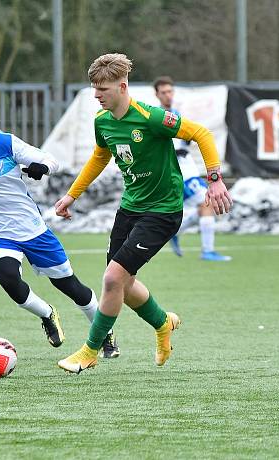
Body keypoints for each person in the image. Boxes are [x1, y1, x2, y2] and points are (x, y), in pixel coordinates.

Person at [55, 54, 232, 373]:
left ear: (122, 87)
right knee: (123, 283)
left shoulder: (151, 118)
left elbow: (201, 134)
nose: (97, 95)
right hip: (130, 208)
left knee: (112, 279)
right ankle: (163, 323)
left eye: (103, 89)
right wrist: (71, 195)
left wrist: (214, 180)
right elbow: (99, 157)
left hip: (162, 211)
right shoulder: (102, 121)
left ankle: (90, 351)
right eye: (94, 88)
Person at [0, 91, 120, 358]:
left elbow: (50, 159)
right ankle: (47, 313)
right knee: (5, 275)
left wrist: (43, 168)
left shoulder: (4, 143)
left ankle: (105, 334)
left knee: (70, 286)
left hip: (33, 229)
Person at [153, 76, 231, 261]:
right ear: (156, 94)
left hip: (189, 166)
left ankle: (176, 232)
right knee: (209, 202)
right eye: (163, 92)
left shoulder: (177, 114)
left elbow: (188, 138)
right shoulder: (154, 116)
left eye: (170, 91)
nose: (168, 95)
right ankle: (207, 251)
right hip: (178, 168)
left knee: (204, 206)